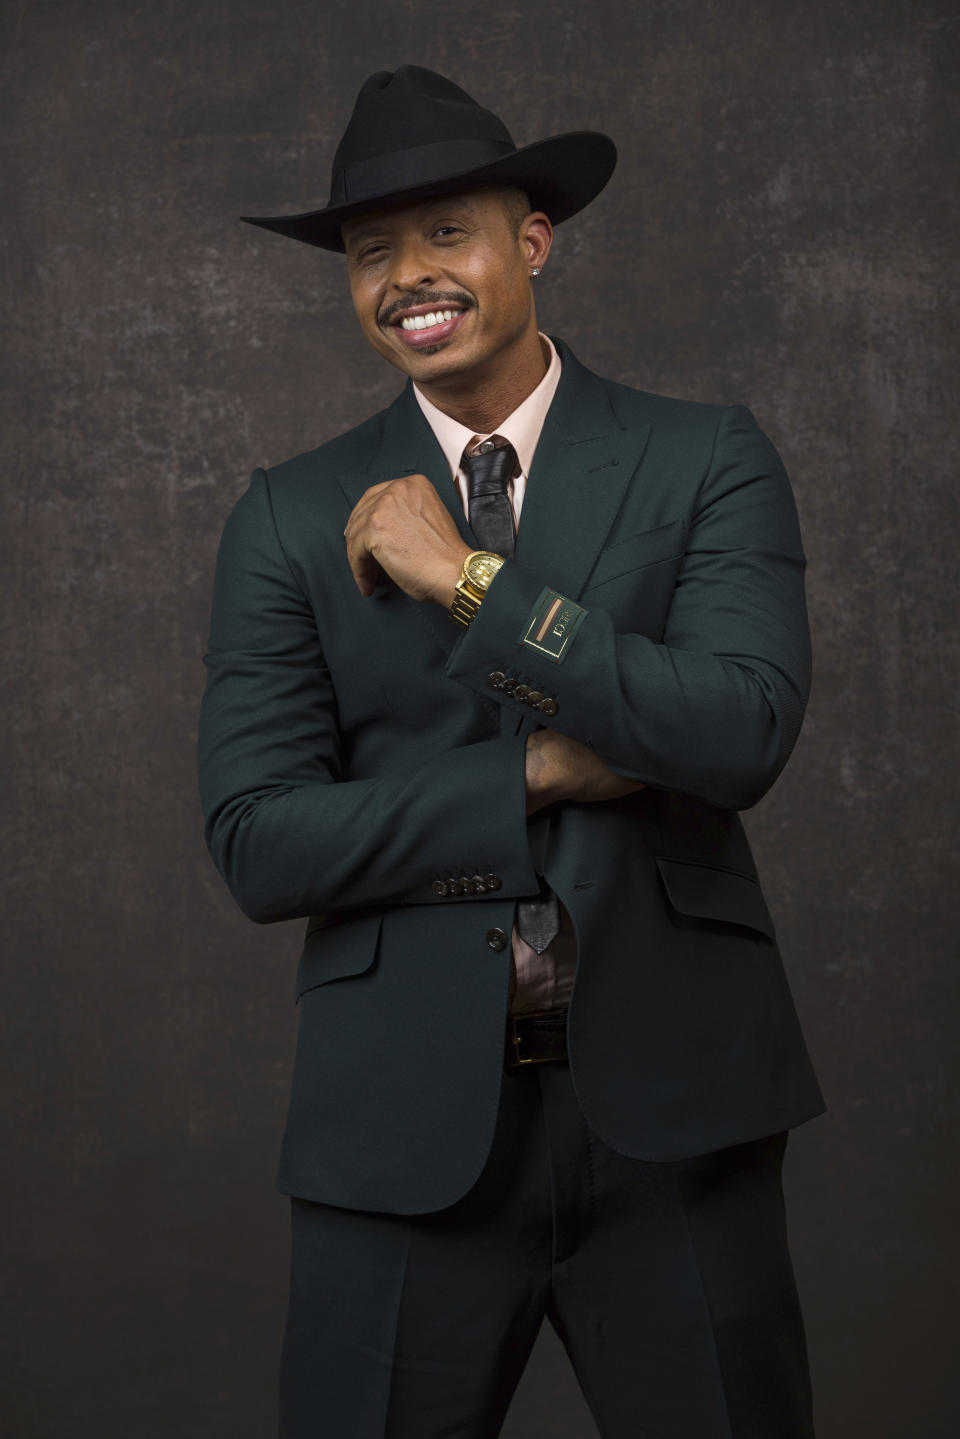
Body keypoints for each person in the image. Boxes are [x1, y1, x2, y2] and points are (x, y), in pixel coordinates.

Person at [197, 63, 826, 1439]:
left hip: (678, 1116)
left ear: (531, 240)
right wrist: (537, 774)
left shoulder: (705, 458)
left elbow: (740, 727)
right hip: (404, 1133)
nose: (408, 277)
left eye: (445, 235)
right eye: (372, 254)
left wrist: (463, 584)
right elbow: (258, 838)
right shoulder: (289, 517)